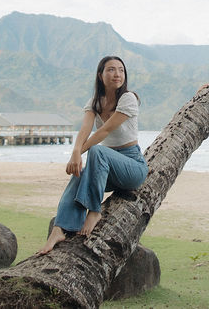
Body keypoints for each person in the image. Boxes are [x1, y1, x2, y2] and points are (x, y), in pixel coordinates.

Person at [37, 55, 147, 254]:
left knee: (97, 150)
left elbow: (103, 131)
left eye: (121, 70)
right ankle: (59, 229)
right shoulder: (95, 101)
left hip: (132, 167)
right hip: (105, 167)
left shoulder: (128, 98)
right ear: (100, 74)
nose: (117, 74)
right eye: (111, 69)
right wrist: (75, 153)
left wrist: (80, 153)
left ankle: (94, 211)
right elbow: (85, 130)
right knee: (78, 175)